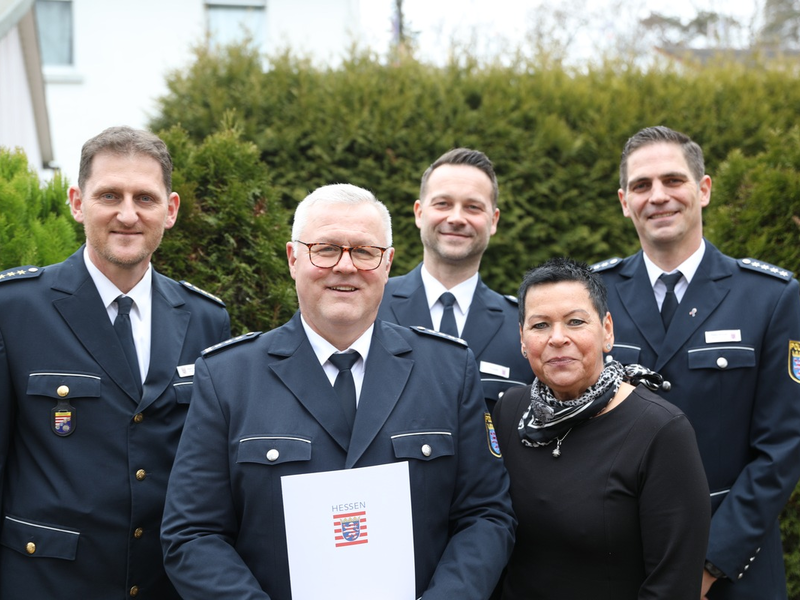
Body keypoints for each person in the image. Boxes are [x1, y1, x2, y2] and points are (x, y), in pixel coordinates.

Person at [161, 183, 516, 599]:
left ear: (387, 264)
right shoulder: (227, 377)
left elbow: (485, 515)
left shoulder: (449, 370)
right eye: (325, 248)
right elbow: (192, 533)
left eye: (364, 252)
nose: (345, 266)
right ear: (293, 259)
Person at [0, 126, 231, 599]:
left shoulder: (208, 318)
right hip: (47, 583)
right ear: (77, 202)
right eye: (109, 195)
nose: (128, 214)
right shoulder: (14, 309)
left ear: (170, 211)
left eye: (145, 198)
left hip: (163, 585)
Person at [594, 125, 800, 600]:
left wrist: (710, 562)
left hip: (734, 572)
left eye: (673, 180)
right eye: (642, 186)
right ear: (625, 201)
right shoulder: (593, 295)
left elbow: (783, 447)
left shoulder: (768, 298)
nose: (658, 196)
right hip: (623, 566)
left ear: (703, 190)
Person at [494, 257, 710, 599]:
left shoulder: (661, 431)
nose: (557, 338)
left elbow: (672, 584)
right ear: (522, 340)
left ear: (607, 330)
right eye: (539, 326)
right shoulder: (510, 412)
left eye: (575, 322)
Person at [378, 148, 532, 411]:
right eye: (443, 204)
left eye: (473, 207)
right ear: (419, 213)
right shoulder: (372, 306)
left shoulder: (522, 328)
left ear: (493, 220)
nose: (457, 218)